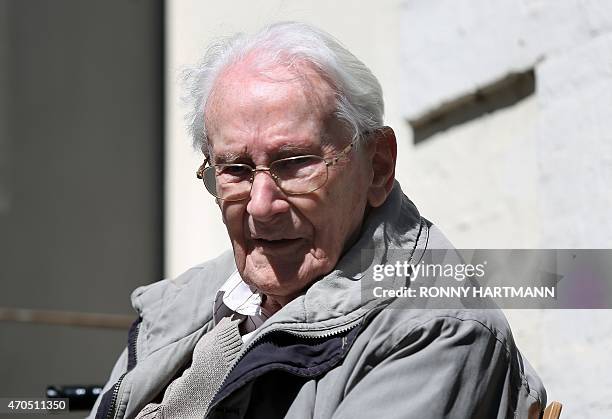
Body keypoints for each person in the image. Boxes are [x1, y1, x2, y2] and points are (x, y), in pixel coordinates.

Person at [88, 21, 546, 419]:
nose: (261, 205)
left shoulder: (433, 330)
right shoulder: (185, 305)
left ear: (378, 166)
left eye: (295, 162)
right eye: (235, 169)